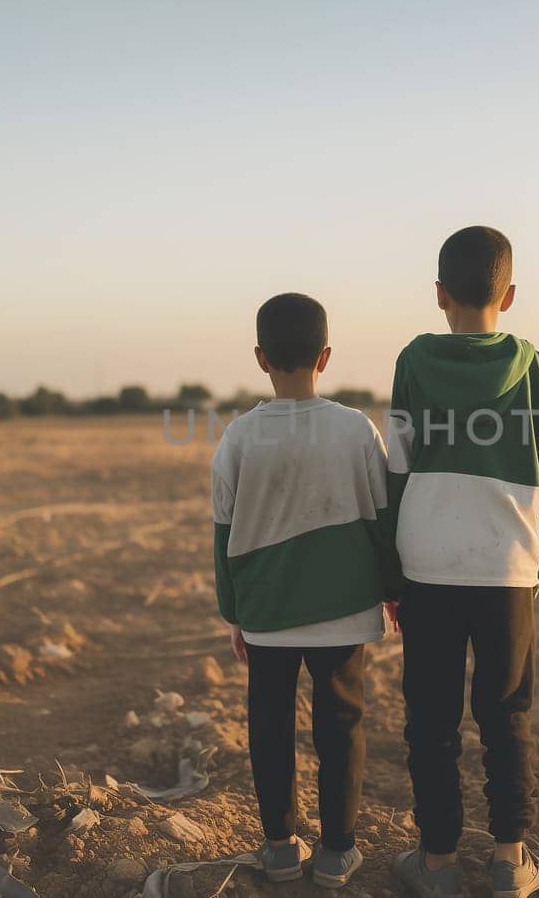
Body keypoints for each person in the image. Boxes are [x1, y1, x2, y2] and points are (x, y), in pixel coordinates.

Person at [386, 226, 539, 898]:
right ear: (512, 293)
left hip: (427, 568)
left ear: (439, 295)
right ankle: (508, 862)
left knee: (431, 719)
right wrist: (537, 556)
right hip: (508, 573)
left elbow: (395, 470)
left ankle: (436, 865)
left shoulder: (413, 362)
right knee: (507, 714)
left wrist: (391, 569)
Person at [211, 292, 399, 889]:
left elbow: (224, 533)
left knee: (269, 725)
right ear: (325, 356)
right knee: (342, 726)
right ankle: (338, 853)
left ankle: (279, 849)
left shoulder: (239, 437)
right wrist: (391, 591)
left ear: (261, 358)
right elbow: (380, 520)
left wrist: (234, 612)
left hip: (266, 611)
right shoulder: (354, 429)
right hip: (343, 611)